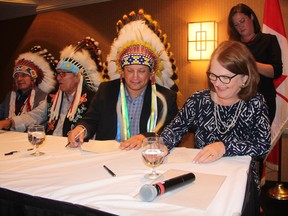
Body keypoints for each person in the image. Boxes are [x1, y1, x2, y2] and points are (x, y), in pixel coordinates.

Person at [161, 40, 271, 215]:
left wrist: (224, 147)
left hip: (240, 182)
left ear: (245, 78)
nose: (217, 83)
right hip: (203, 179)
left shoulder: (255, 103)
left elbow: (262, 145)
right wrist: (162, 144)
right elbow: (174, 129)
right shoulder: (198, 100)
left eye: (225, 77)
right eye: (213, 75)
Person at [67, 9, 179, 150]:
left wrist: (146, 136)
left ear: (151, 74)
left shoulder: (165, 98)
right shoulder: (106, 90)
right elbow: (91, 119)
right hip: (108, 157)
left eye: (141, 71)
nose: (135, 77)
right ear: (122, 72)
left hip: (145, 157)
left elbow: (174, 131)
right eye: (130, 71)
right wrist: (81, 129)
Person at [0, 37, 103, 136]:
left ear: (77, 77)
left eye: (63, 73)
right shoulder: (52, 98)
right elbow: (35, 116)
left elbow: (93, 128)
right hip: (52, 146)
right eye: (57, 73)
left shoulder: (91, 99)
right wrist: (9, 122)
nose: (58, 78)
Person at [227, 3, 283, 124]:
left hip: (264, 100)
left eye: (242, 21)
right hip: (237, 101)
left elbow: (276, 71)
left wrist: (250, 63)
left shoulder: (269, 40)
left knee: (260, 140)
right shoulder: (233, 46)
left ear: (251, 17)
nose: (240, 26)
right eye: (236, 25)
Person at [0, 46, 57, 129]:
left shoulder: (43, 97)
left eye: (24, 75)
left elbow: (35, 118)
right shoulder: (10, 96)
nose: (19, 79)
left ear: (33, 79)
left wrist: (8, 123)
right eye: (16, 76)